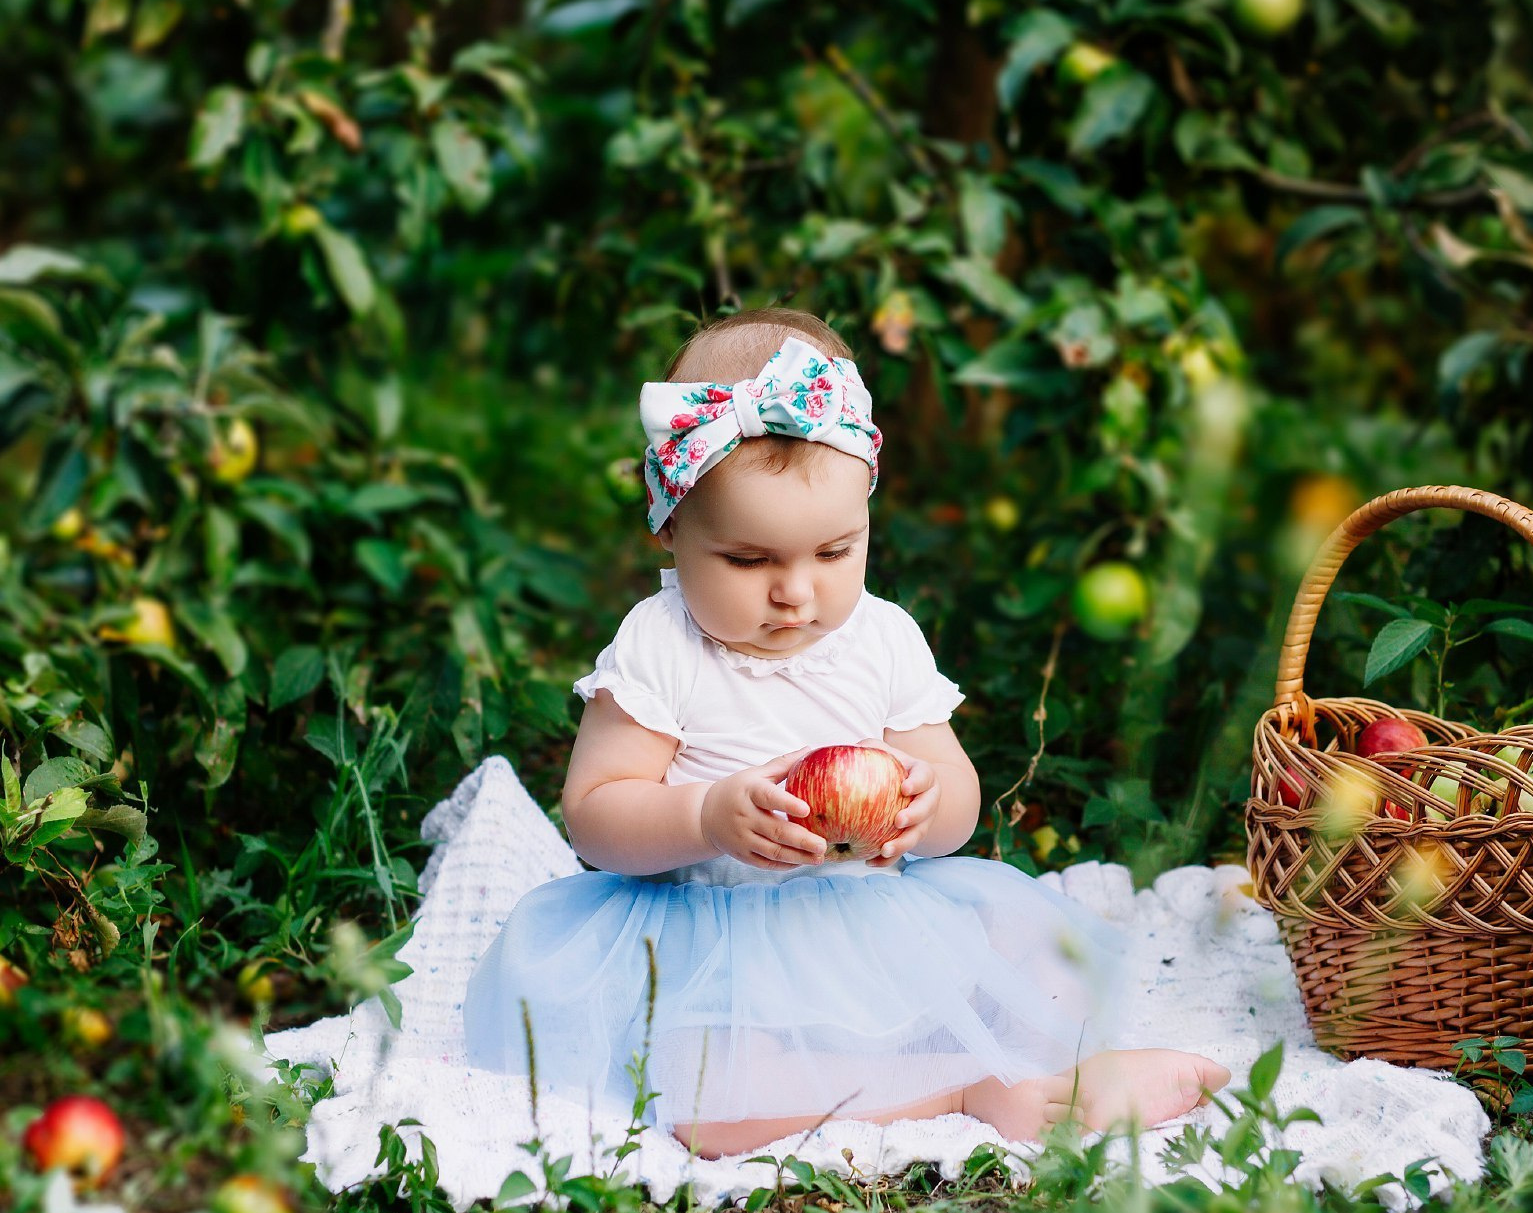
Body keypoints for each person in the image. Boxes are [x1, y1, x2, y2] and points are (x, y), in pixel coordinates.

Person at [462, 308, 1231, 1159]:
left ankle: (1052, 1065)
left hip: (872, 927)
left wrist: (925, 806)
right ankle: (974, 1086)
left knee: (1036, 953)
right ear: (671, 528)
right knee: (711, 1101)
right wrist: (706, 817)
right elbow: (596, 816)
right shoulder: (659, 644)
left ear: (866, 513)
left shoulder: (881, 635)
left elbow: (958, 801)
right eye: (749, 562)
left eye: (834, 552)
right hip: (711, 947)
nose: (797, 593)